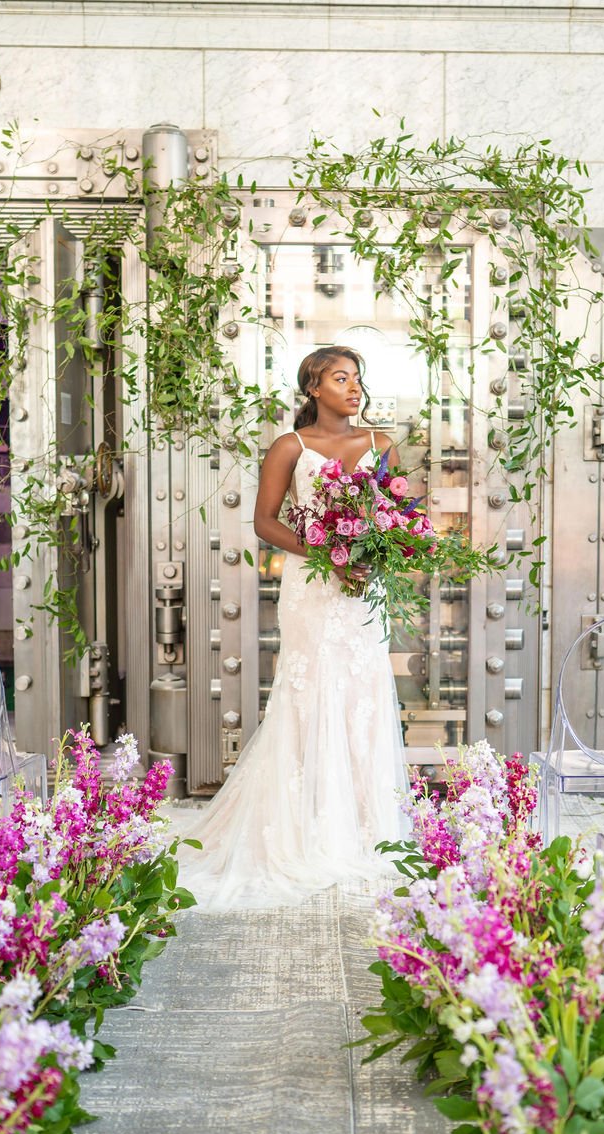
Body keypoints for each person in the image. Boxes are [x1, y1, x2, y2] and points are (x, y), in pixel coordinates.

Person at [181, 345, 408, 910]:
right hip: (312, 586)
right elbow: (264, 521)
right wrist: (327, 552)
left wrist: (378, 551)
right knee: (310, 692)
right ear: (313, 388)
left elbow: (400, 513)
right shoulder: (291, 447)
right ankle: (302, 825)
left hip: (364, 587)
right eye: (339, 378)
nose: (353, 387)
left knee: (363, 692)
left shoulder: (382, 444)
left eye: (357, 377)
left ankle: (363, 824)